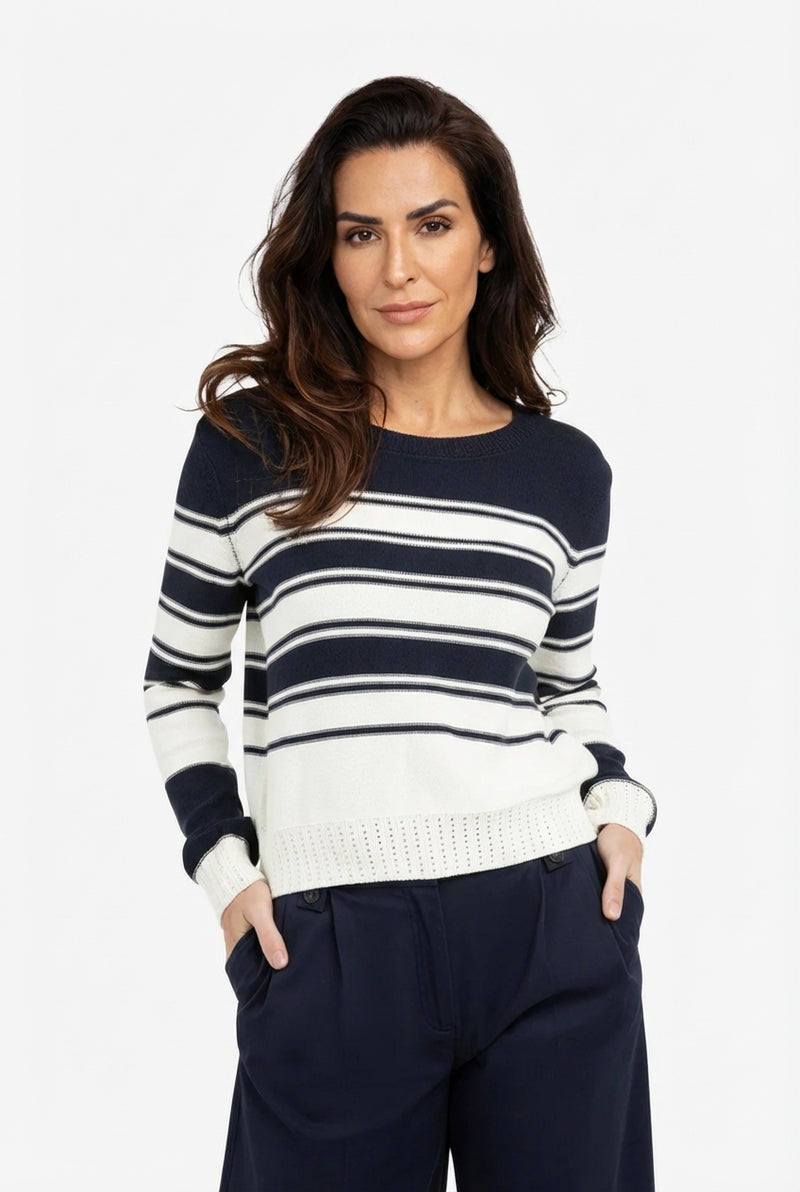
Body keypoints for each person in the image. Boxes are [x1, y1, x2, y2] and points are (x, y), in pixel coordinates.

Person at [143, 75, 657, 1192]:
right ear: (327, 257)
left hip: (548, 920)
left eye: (431, 225)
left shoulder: (563, 473)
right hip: (330, 945)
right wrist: (227, 876)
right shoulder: (253, 445)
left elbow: (564, 683)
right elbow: (177, 684)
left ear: (486, 243)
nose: (397, 269)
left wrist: (620, 813)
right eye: (360, 233)